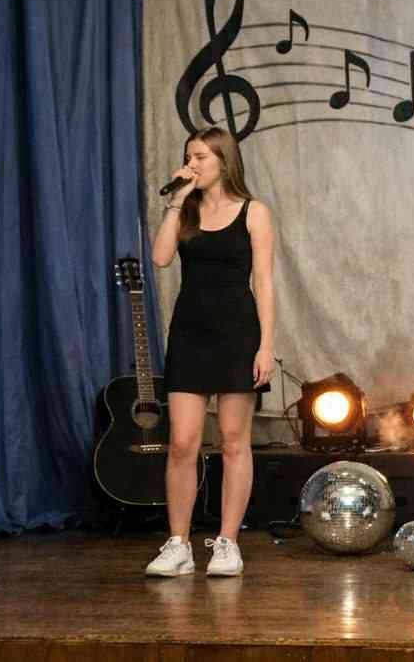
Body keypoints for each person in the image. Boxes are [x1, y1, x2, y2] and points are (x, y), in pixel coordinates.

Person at [144, 127, 276, 577]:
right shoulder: (186, 211)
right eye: (189, 156)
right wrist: (176, 201)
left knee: (234, 442)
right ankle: (178, 544)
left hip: (238, 334)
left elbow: (265, 283)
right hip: (190, 334)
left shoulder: (254, 212)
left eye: (201, 156)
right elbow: (160, 258)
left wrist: (266, 345)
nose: (192, 164)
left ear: (224, 159)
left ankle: (227, 543)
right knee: (182, 442)